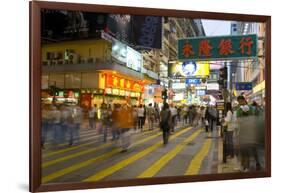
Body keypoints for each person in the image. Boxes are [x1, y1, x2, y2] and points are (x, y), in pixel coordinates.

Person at [236, 95, 262, 171]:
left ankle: (256, 163)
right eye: (239, 102)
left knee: (253, 149)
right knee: (245, 150)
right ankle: (245, 166)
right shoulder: (239, 110)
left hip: (250, 131)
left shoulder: (250, 108)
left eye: (241, 101)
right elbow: (238, 121)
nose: (240, 103)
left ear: (244, 100)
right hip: (245, 132)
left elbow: (254, 118)